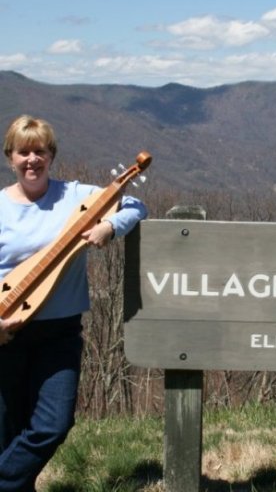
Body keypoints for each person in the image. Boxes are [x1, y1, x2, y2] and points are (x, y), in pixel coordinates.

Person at [0, 114, 148, 491]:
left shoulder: (76, 196)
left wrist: (109, 227)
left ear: (51, 155)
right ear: (10, 157)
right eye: (23, 152)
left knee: (53, 423)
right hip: (5, 333)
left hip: (60, 333)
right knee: (7, 430)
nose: (32, 160)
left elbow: (133, 204)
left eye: (40, 151)